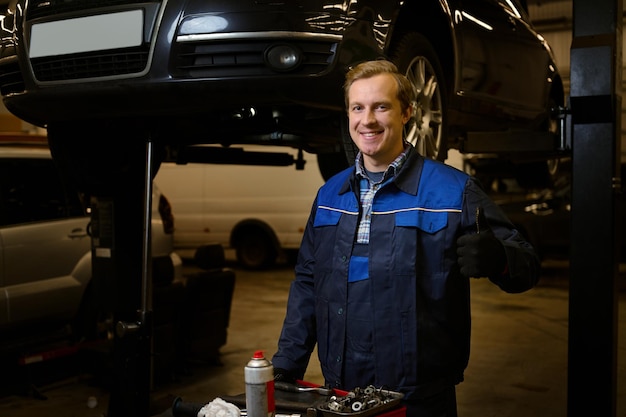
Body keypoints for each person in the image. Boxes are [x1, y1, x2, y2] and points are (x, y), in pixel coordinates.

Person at [271, 60, 541, 417]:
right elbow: (308, 283)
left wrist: (500, 258)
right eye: (358, 107)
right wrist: (288, 362)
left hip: (420, 398)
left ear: (407, 113)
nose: (367, 120)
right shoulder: (330, 195)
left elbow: (528, 265)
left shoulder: (453, 191)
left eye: (381, 107)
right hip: (338, 389)